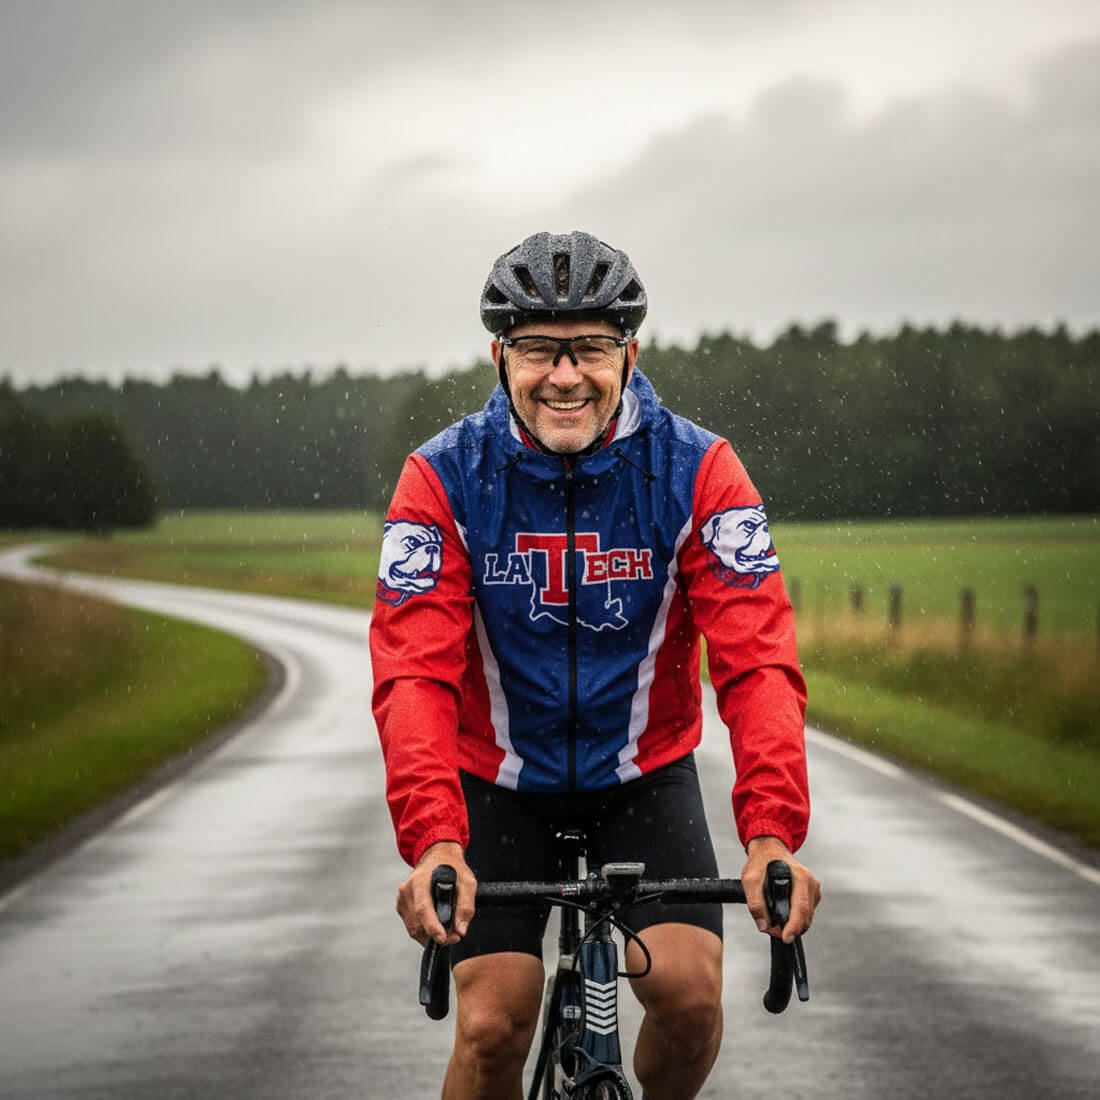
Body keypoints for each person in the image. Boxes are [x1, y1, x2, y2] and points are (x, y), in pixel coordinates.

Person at [370, 230, 821, 1099]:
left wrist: (772, 833)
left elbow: (757, 660)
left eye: (591, 347)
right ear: (500, 355)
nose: (565, 375)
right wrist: (434, 839)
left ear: (631, 352)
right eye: (539, 349)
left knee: (690, 1005)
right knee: (494, 1025)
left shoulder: (699, 472)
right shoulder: (442, 479)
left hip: (641, 776)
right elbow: (413, 674)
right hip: (496, 781)